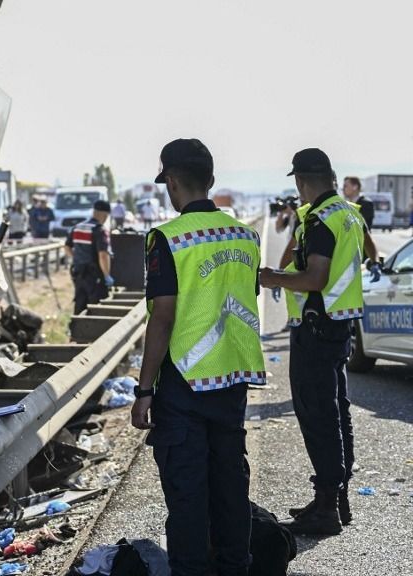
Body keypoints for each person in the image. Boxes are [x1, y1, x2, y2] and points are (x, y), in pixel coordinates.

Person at [131, 138, 264, 576]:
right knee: (230, 488)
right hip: (232, 381)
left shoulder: (166, 239)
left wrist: (144, 389)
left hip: (184, 386)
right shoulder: (247, 237)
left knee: (188, 498)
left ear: (170, 181)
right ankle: (235, 567)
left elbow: (163, 318)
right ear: (211, 180)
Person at [258, 149, 367, 536]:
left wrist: (274, 278)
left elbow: (316, 277)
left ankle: (326, 509)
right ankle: (337, 500)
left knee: (318, 415)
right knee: (337, 412)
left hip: (317, 328)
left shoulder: (320, 219)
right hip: (340, 326)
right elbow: (364, 257)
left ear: (301, 181)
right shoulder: (349, 213)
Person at [64, 200, 113, 314]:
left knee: (80, 303)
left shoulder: (77, 227)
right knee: (97, 307)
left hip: (79, 273)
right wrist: (106, 275)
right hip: (94, 275)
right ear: (104, 214)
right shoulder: (100, 230)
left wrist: (77, 258)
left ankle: (76, 329)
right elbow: (103, 255)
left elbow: (67, 247)